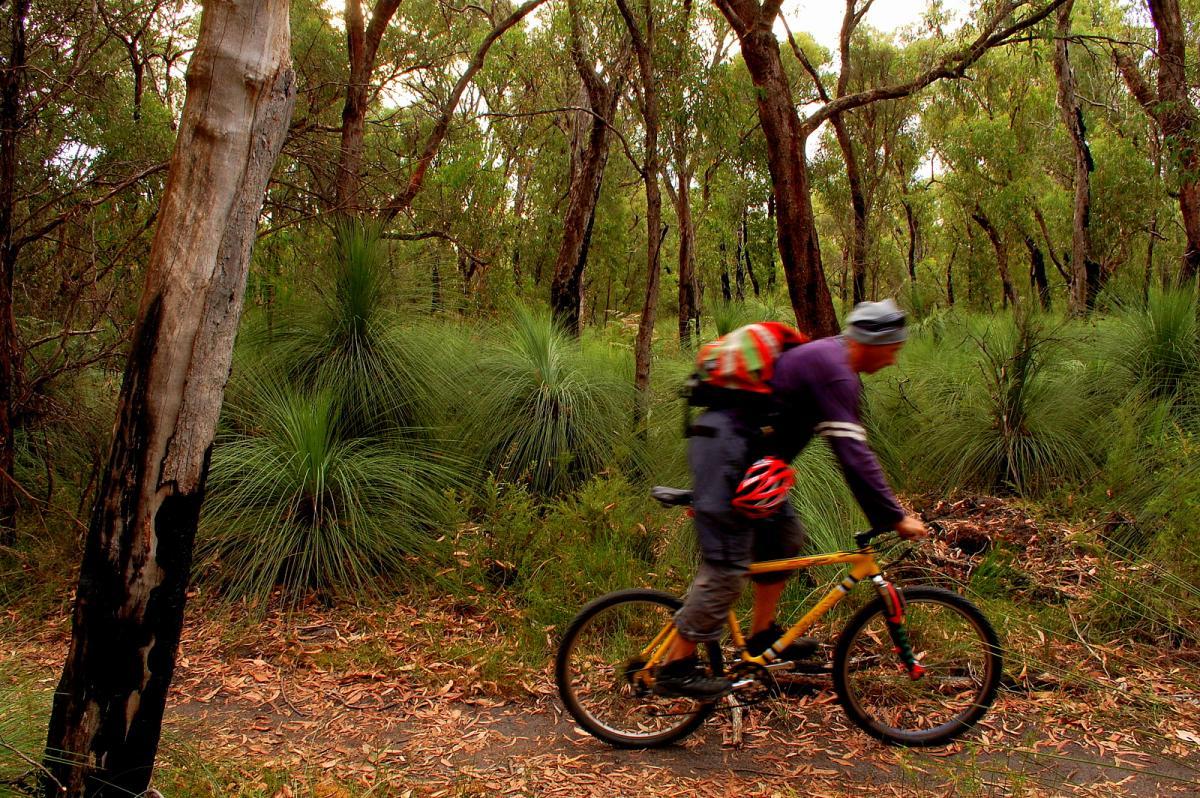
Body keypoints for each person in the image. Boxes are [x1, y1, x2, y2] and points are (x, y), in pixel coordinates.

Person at [654, 299, 929, 699]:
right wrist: (893, 516)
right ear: (873, 340)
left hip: (748, 457)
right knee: (728, 565)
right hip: (725, 452)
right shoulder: (835, 371)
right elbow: (853, 453)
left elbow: (849, 447)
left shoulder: (834, 363)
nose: (893, 360)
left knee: (784, 535)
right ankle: (676, 668)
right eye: (893, 349)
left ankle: (761, 636)